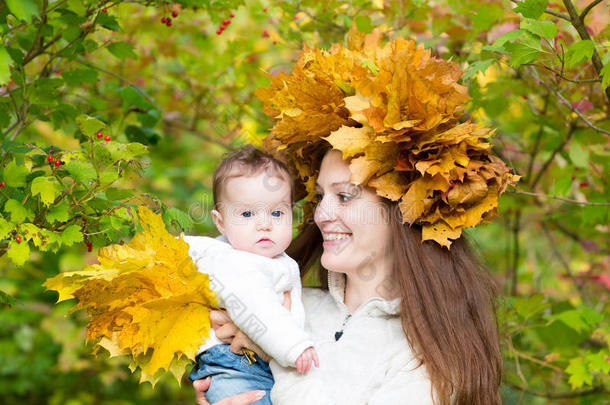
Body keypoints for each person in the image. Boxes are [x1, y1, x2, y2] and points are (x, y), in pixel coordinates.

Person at [193, 26, 516, 405]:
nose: (322, 214)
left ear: (404, 210)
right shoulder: (288, 302)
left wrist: (273, 349)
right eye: (319, 196)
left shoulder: (430, 359)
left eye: (345, 196)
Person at [183, 145, 319, 405]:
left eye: (277, 213)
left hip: (253, 366)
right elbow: (257, 306)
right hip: (236, 367)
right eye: (247, 214)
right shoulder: (236, 263)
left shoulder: (268, 260)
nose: (265, 223)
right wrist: (295, 346)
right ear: (220, 222)